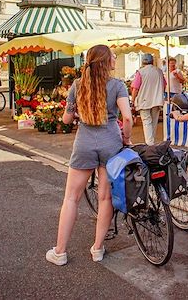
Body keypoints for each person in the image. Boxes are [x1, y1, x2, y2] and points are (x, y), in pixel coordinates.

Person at [46, 45, 133, 266]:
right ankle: (97, 248)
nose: (115, 57)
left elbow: (66, 120)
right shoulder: (117, 86)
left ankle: (60, 251)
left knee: (71, 198)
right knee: (105, 198)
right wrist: (126, 138)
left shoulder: (77, 85)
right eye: (113, 56)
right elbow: (128, 118)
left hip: (84, 141)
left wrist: (76, 113)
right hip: (111, 141)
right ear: (105, 62)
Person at [131, 54, 165, 145]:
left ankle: (150, 143)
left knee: (146, 122)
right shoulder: (159, 71)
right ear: (152, 61)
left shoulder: (141, 72)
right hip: (157, 100)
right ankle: (151, 141)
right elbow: (164, 85)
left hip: (144, 100)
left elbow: (135, 88)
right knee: (154, 122)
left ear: (142, 62)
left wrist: (133, 100)